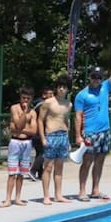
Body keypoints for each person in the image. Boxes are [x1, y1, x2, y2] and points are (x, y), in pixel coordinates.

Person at [73, 45, 111, 201]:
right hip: (90, 133)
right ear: (90, 77)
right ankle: (82, 191)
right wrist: (78, 136)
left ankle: (95, 190)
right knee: (87, 162)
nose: (97, 80)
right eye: (94, 77)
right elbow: (78, 116)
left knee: (100, 161)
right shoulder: (82, 95)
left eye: (99, 77)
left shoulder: (105, 87)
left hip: (105, 132)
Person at [38, 75, 73, 204]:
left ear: (68, 89)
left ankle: (58, 195)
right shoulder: (48, 102)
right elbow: (40, 120)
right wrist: (43, 138)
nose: (61, 89)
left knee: (59, 167)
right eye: (59, 87)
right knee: (48, 167)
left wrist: (68, 140)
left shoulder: (69, 104)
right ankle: (46, 196)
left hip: (63, 135)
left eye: (64, 87)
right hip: (51, 135)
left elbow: (66, 121)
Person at [0, 87, 37, 208]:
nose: (25, 101)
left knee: (22, 173)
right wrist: (25, 114)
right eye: (23, 98)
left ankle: (18, 198)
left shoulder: (33, 112)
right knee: (12, 173)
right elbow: (18, 124)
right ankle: (7, 199)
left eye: (28, 98)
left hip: (27, 143)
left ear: (31, 99)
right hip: (15, 142)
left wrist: (19, 129)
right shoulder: (15, 108)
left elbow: (33, 131)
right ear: (20, 97)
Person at [29, 86, 53, 181]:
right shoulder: (43, 105)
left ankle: (40, 173)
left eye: (52, 94)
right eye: (49, 94)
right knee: (43, 153)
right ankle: (33, 171)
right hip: (39, 133)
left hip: (36, 133)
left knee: (40, 152)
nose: (51, 96)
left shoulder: (37, 104)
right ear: (44, 95)